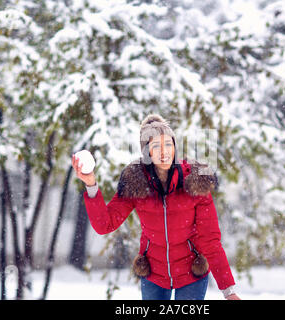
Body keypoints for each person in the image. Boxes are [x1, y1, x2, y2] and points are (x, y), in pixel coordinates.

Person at [72, 114, 240, 300]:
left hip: (191, 273)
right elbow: (105, 224)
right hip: (154, 274)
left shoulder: (195, 181)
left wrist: (229, 291)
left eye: (168, 144)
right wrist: (91, 184)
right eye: (156, 146)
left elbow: (211, 241)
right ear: (147, 152)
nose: (164, 151)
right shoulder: (136, 182)